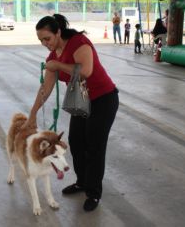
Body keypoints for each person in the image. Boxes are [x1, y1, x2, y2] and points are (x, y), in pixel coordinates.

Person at [22, 14, 119, 212]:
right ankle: (82, 182)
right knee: (76, 142)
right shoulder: (52, 57)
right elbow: (45, 89)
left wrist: (58, 66)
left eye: (47, 38)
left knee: (94, 147)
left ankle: (93, 193)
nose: (44, 44)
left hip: (103, 99)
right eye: (41, 40)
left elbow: (86, 71)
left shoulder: (79, 42)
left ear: (58, 32)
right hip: (81, 102)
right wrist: (32, 114)